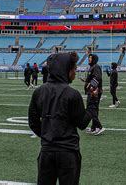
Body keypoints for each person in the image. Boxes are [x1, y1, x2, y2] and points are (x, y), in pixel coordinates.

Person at [28, 52, 98, 185]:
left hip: (46, 152)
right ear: (65, 69)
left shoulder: (39, 91)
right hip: (68, 153)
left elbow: (33, 122)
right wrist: (93, 101)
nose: (75, 72)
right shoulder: (72, 94)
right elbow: (83, 123)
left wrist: (46, 135)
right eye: (73, 69)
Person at [85, 54, 104, 135]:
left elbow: (97, 78)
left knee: (91, 108)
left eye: (90, 58)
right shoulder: (93, 67)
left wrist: (91, 87)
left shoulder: (95, 67)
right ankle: (94, 127)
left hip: (94, 92)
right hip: (92, 91)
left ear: (94, 59)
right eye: (89, 58)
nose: (89, 59)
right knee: (93, 108)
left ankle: (99, 126)